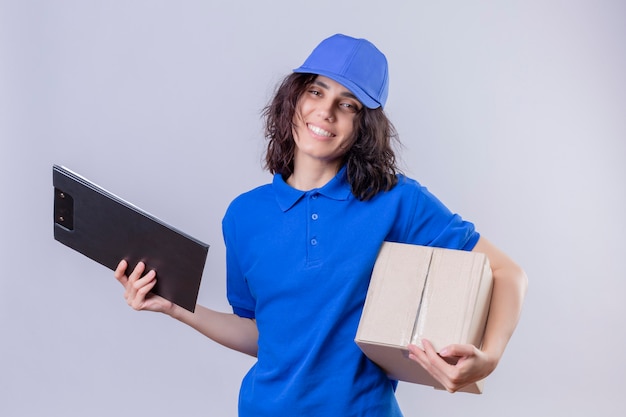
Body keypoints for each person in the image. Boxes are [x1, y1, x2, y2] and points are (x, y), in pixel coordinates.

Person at [114, 33, 528, 416]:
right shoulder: (244, 216)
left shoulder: (395, 200)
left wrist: (488, 359)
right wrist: (175, 307)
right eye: (316, 91)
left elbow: (508, 273)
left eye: (347, 104)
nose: (325, 112)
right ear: (294, 98)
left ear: (363, 124)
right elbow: (264, 335)